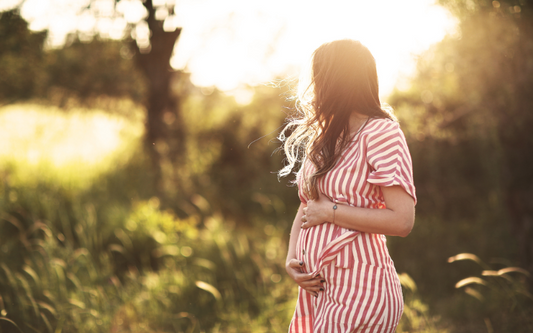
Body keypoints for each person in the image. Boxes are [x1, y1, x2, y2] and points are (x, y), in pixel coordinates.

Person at [278, 39, 417, 333]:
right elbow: (308, 204)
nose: (314, 88)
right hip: (321, 292)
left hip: (362, 291)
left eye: (319, 78)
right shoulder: (327, 137)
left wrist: (332, 212)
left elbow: (402, 220)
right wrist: (293, 257)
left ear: (337, 81)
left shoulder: (381, 133)